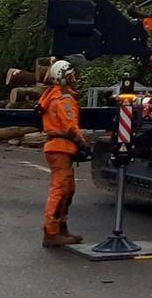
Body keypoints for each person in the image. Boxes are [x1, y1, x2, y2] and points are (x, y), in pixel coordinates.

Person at [38, 58, 88, 247]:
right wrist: (83, 143)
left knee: (68, 189)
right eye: (70, 75)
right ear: (63, 77)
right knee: (60, 190)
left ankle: (60, 228)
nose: (74, 77)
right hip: (61, 147)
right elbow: (70, 126)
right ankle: (52, 232)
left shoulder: (54, 95)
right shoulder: (63, 99)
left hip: (60, 147)